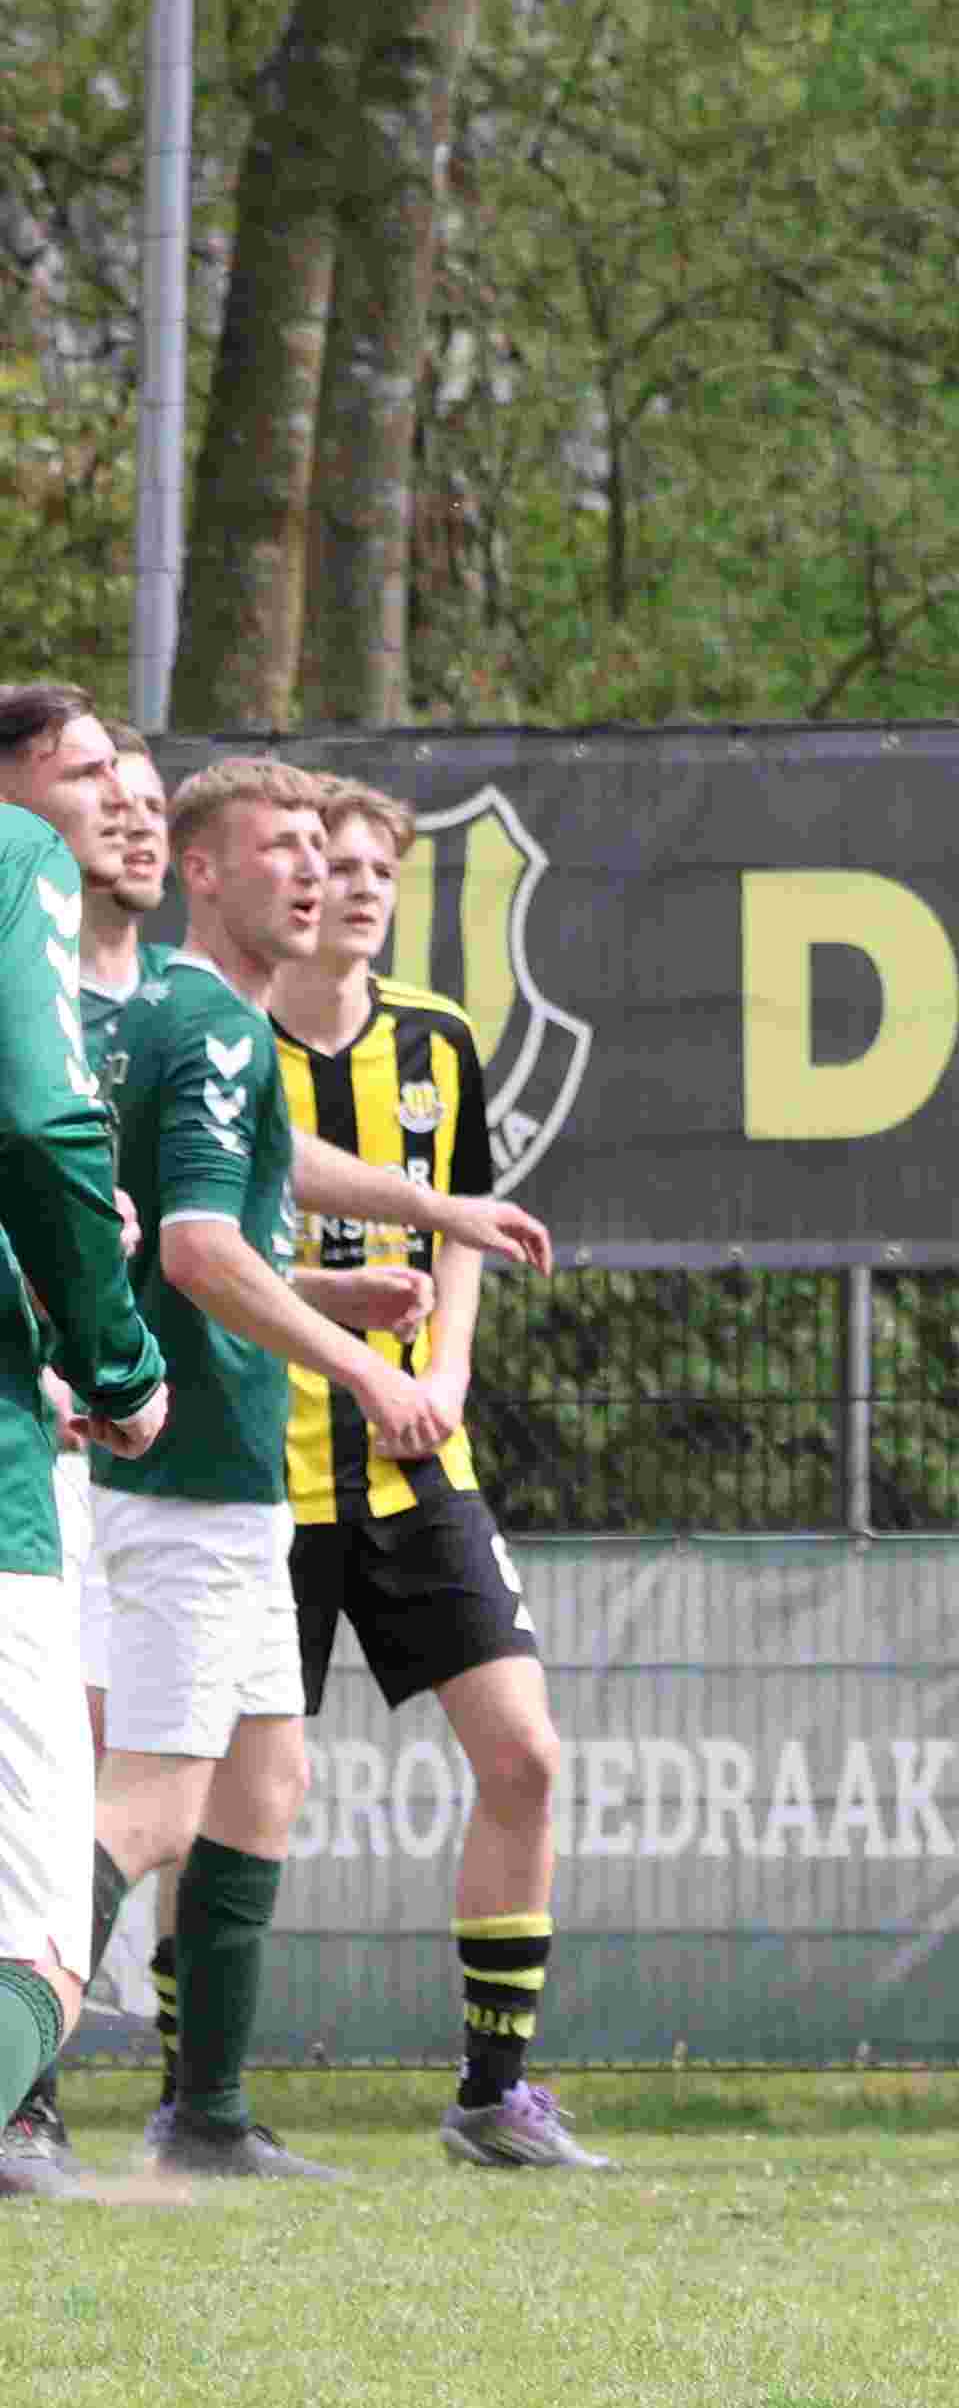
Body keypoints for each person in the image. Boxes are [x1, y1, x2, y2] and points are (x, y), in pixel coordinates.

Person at [84, 759, 473, 2181]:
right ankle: (19, 2093)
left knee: (267, 1780)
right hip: (191, 1476)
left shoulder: (180, 1020)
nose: (311, 871)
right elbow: (194, 1252)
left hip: (223, 1474)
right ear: (203, 870)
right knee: (151, 1805)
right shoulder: (218, 1021)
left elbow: (228, 1211)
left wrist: (361, 1272)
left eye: (324, 847)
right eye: (279, 848)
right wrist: (362, 1365)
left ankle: (209, 2117)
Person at [276, 771, 603, 2167]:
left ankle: (492, 2091)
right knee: (230, 1797)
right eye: (335, 863)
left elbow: (461, 1219)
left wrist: (447, 1373)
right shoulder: (220, 1043)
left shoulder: (438, 1037)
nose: (357, 887)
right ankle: (193, 2090)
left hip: (422, 1469)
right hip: (263, 1476)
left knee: (525, 1752)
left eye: (378, 871)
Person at [0, 688, 173, 2191]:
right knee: (46, 1923)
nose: (118, 797)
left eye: (130, 774)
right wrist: (115, 1352)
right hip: (20, 1470)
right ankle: (23, 2104)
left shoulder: (177, 998)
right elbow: (46, 1130)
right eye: (82, 774)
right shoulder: (15, 874)